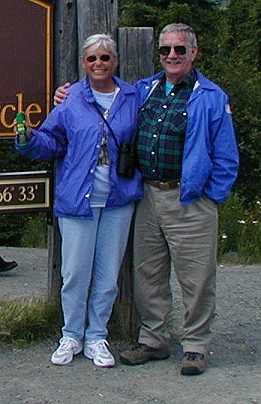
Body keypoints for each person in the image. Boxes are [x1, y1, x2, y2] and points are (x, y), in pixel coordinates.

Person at [54, 23, 239, 375]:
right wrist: (66, 94)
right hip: (147, 197)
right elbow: (105, 96)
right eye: (165, 50)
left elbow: (227, 157)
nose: (172, 55)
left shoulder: (211, 96)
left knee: (196, 277)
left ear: (193, 53)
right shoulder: (143, 90)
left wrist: (210, 197)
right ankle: (154, 339)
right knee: (148, 275)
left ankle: (195, 345)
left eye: (179, 50)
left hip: (190, 198)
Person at [16, 34, 143, 368]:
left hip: (118, 198)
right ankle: (71, 334)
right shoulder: (70, 99)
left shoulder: (133, 96)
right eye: (92, 59)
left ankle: (96, 336)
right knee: (74, 273)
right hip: (77, 200)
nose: (98, 64)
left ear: (115, 60)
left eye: (105, 57)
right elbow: (51, 141)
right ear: (84, 64)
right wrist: (28, 138)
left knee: (107, 275)